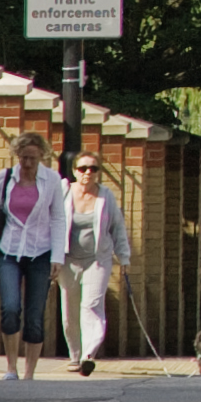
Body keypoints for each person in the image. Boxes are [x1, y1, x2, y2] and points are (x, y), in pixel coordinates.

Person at [0, 133, 62, 380]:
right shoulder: (5, 179)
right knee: (10, 307)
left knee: (35, 314)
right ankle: (11, 367)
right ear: (17, 155)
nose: (27, 164)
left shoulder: (52, 180)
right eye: (24, 158)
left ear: (41, 157)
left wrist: (58, 256)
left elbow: (58, 218)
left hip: (41, 252)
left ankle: (30, 373)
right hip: (9, 251)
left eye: (33, 159)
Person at [53, 152, 132, 379]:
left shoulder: (106, 197)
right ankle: (74, 356)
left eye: (93, 169)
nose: (88, 173)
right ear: (75, 171)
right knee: (70, 309)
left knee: (92, 305)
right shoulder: (64, 193)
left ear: (99, 173)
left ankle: (89, 355)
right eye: (83, 168)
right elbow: (52, 223)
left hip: (97, 260)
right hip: (68, 260)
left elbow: (117, 228)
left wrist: (124, 258)